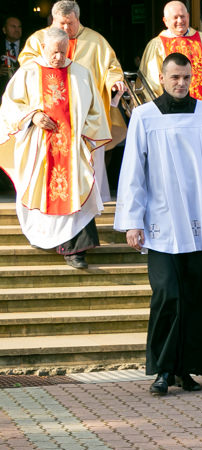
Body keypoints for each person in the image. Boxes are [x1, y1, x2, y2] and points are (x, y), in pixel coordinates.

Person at [114, 52, 202, 396]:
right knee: (168, 295)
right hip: (161, 223)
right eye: (174, 77)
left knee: (195, 297)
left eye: (186, 78)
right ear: (162, 78)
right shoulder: (145, 117)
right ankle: (162, 369)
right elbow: (133, 172)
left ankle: (185, 369)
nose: (180, 83)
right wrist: (132, 220)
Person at [0, 27, 110, 269]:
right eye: (54, 52)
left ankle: (76, 250)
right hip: (39, 149)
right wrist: (33, 116)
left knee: (77, 193)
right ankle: (47, 239)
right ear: (42, 48)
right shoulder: (28, 72)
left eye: (63, 51)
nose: (59, 57)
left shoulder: (81, 73)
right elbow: (10, 106)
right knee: (41, 192)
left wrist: (81, 131)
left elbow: (96, 113)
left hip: (72, 152)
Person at [17, 1, 126, 204]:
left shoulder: (96, 41)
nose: (66, 28)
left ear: (78, 19)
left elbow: (112, 66)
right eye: (61, 23)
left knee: (89, 166)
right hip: (49, 115)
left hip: (84, 117)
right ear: (52, 20)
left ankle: (90, 205)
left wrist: (114, 81)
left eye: (70, 23)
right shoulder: (39, 40)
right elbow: (27, 66)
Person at [140, 1, 202, 102]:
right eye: (175, 17)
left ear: (188, 17)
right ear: (165, 21)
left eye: (183, 16)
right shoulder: (157, 45)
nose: (180, 21)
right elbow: (151, 83)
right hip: (171, 109)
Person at [1, 16, 22, 95]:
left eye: (19, 27)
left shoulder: (28, 46)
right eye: (13, 26)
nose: (17, 30)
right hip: (3, 91)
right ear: (4, 30)